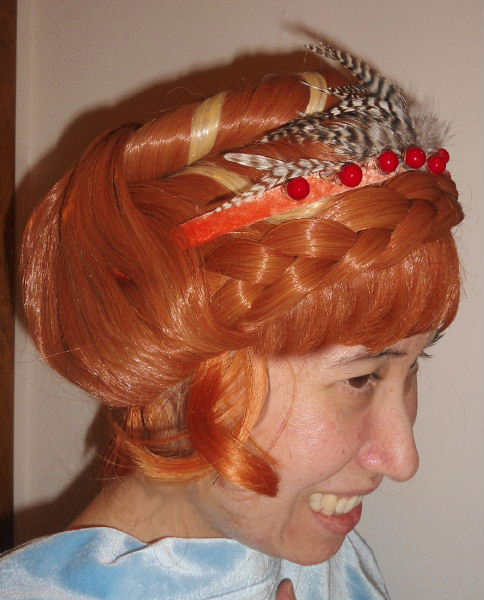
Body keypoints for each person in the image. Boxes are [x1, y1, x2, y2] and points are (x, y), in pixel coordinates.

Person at [0, 43, 463, 599]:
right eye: (360, 378)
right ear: (183, 370)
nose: (401, 459)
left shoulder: (334, 568)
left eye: (415, 364)